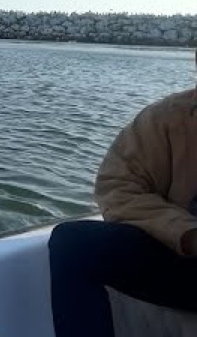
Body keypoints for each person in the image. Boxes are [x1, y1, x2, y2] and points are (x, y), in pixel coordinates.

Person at [49, 85, 197, 337]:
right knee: (73, 245)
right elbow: (118, 185)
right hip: (186, 263)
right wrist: (186, 233)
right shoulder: (169, 117)